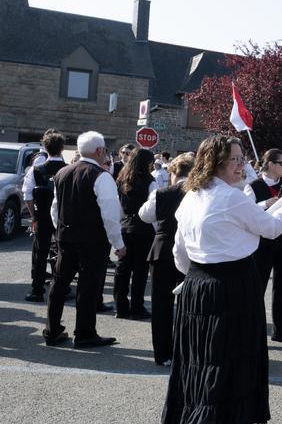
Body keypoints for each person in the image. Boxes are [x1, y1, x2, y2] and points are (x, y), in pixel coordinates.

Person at [162, 136, 282, 424]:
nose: (242, 165)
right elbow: (271, 230)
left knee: (198, 363)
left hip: (197, 287)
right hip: (234, 286)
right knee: (235, 362)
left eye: (243, 158)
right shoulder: (231, 197)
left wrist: (200, 273)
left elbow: (179, 255)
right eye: (235, 160)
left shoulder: (191, 197)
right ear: (215, 162)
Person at [44, 131, 124, 348]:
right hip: (93, 240)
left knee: (59, 284)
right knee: (88, 287)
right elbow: (110, 214)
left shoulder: (62, 173)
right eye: (104, 150)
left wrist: (61, 229)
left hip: (66, 236)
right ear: (99, 151)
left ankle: (52, 330)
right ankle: (85, 332)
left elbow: (55, 208)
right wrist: (118, 244)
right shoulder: (101, 175)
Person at [138, 152, 194, 366]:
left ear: (173, 172)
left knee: (161, 304)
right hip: (191, 251)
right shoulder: (198, 191)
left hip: (162, 249)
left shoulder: (161, 193)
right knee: (188, 304)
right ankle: (185, 350)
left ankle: (163, 353)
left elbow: (145, 215)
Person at [245, 148, 282, 343]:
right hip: (262, 244)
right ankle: (254, 330)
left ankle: (281, 330)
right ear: (271, 165)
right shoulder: (254, 186)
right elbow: (247, 212)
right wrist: (265, 204)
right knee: (257, 287)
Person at [113, 148, 157, 319]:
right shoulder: (150, 181)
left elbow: (117, 207)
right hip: (143, 228)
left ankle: (120, 307)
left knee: (122, 268)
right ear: (147, 163)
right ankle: (137, 308)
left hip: (125, 226)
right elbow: (152, 208)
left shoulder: (122, 179)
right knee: (140, 270)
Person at [23, 130, 67, 302]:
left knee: (39, 252)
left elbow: (27, 195)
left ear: (45, 147)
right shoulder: (68, 169)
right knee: (63, 252)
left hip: (42, 214)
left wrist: (34, 216)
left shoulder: (36, 169)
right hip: (63, 216)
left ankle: (37, 289)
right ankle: (62, 288)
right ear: (62, 148)